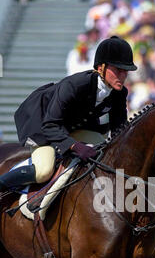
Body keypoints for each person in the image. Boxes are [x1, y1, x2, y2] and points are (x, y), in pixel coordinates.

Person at [0, 36, 137, 192]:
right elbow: (50, 125)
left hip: (72, 126)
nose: (123, 76)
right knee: (43, 171)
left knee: (103, 152)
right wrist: (75, 146)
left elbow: (120, 131)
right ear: (101, 67)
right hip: (42, 125)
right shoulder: (75, 85)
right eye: (118, 70)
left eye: (126, 71)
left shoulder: (119, 93)